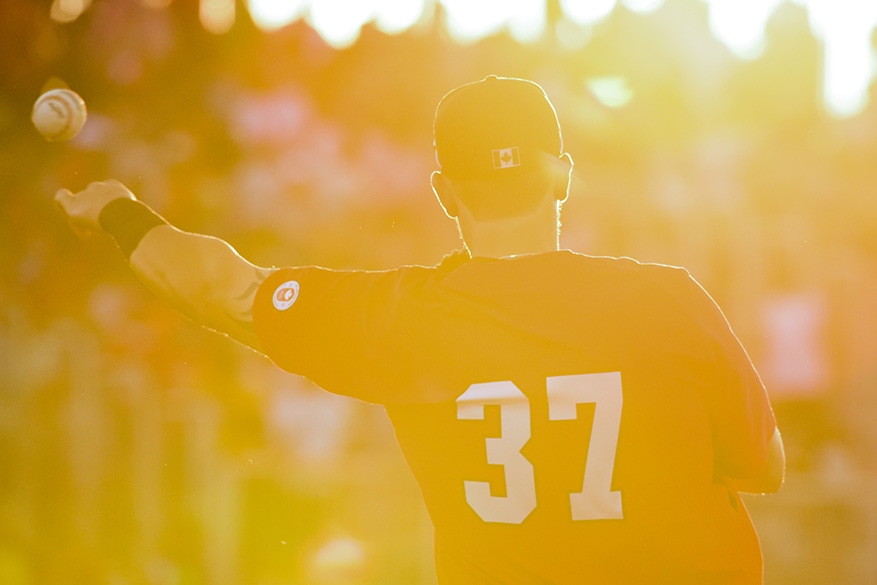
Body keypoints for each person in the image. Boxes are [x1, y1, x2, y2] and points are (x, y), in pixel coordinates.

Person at [56, 75, 784, 584]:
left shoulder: (404, 319)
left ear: (443, 192)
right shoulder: (667, 300)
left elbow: (221, 287)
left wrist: (119, 211)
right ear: (561, 175)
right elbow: (765, 465)